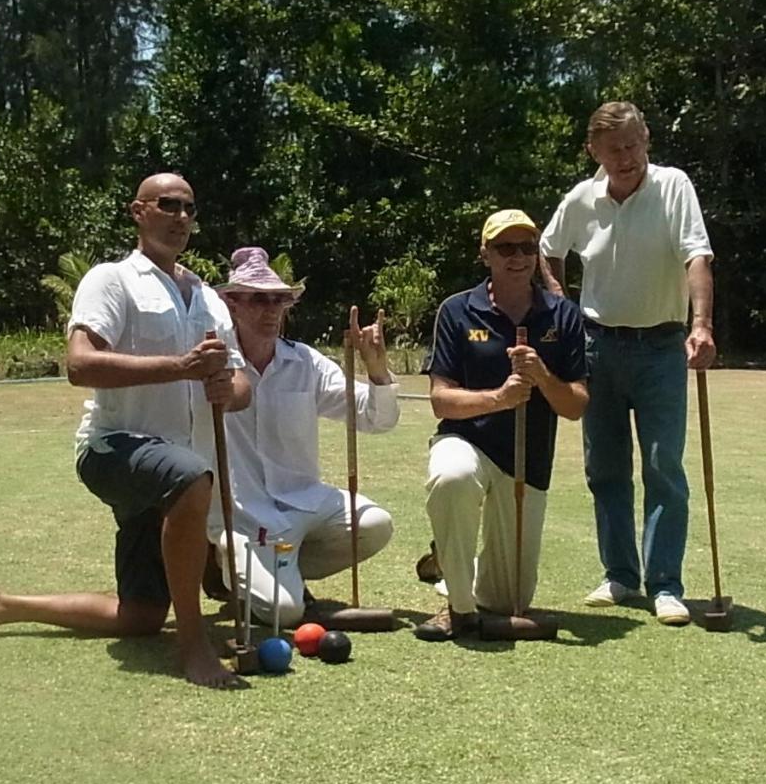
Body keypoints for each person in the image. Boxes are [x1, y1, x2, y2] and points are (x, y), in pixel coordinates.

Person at [0, 172, 252, 689]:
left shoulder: (210, 299)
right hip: (112, 450)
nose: (181, 217)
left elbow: (239, 383)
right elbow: (80, 364)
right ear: (138, 211)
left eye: (190, 208)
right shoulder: (111, 279)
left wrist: (227, 389)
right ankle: (194, 647)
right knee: (193, 477)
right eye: (168, 205)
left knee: (142, 616)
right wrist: (183, 367)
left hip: (171, 472)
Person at [539, 101, 716, 625]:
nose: (627, 157)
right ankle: (620, 575)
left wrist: (701, 324)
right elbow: (550, 250)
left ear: (647, 140)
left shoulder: (673, 185)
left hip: (662, 345)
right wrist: (561, 305)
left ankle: (665, 585)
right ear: (594, 151)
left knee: (664, 465)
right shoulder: (581, 198)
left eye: (634, 145)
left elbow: (696, 257)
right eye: (614, 149)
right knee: (605, 468)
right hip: (596, 346)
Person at [417, 210, 588, 641]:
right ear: (485, 254)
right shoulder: (457, 310)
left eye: (527, 247)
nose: (517, 257)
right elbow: (441, 399)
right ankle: (457, 609)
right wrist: (501, 398)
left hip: (527, 461)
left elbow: (575, 406)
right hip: (468, 441)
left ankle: (450, 561)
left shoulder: (563, 315)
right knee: (452, 476)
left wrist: (542, 377)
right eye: (505, 248)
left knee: (509, 596)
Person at [214, 246, 399, 628]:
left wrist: (377, 371)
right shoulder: (214, 365)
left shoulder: (307, 362)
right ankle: (232, 572)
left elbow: (375, 419)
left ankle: (278, 577)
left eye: (278, 300)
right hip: (246, 516)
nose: (270, 310)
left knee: (376, 524)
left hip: (305, 502)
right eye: (258, 299)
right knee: (286, 613)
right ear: (232, 303)